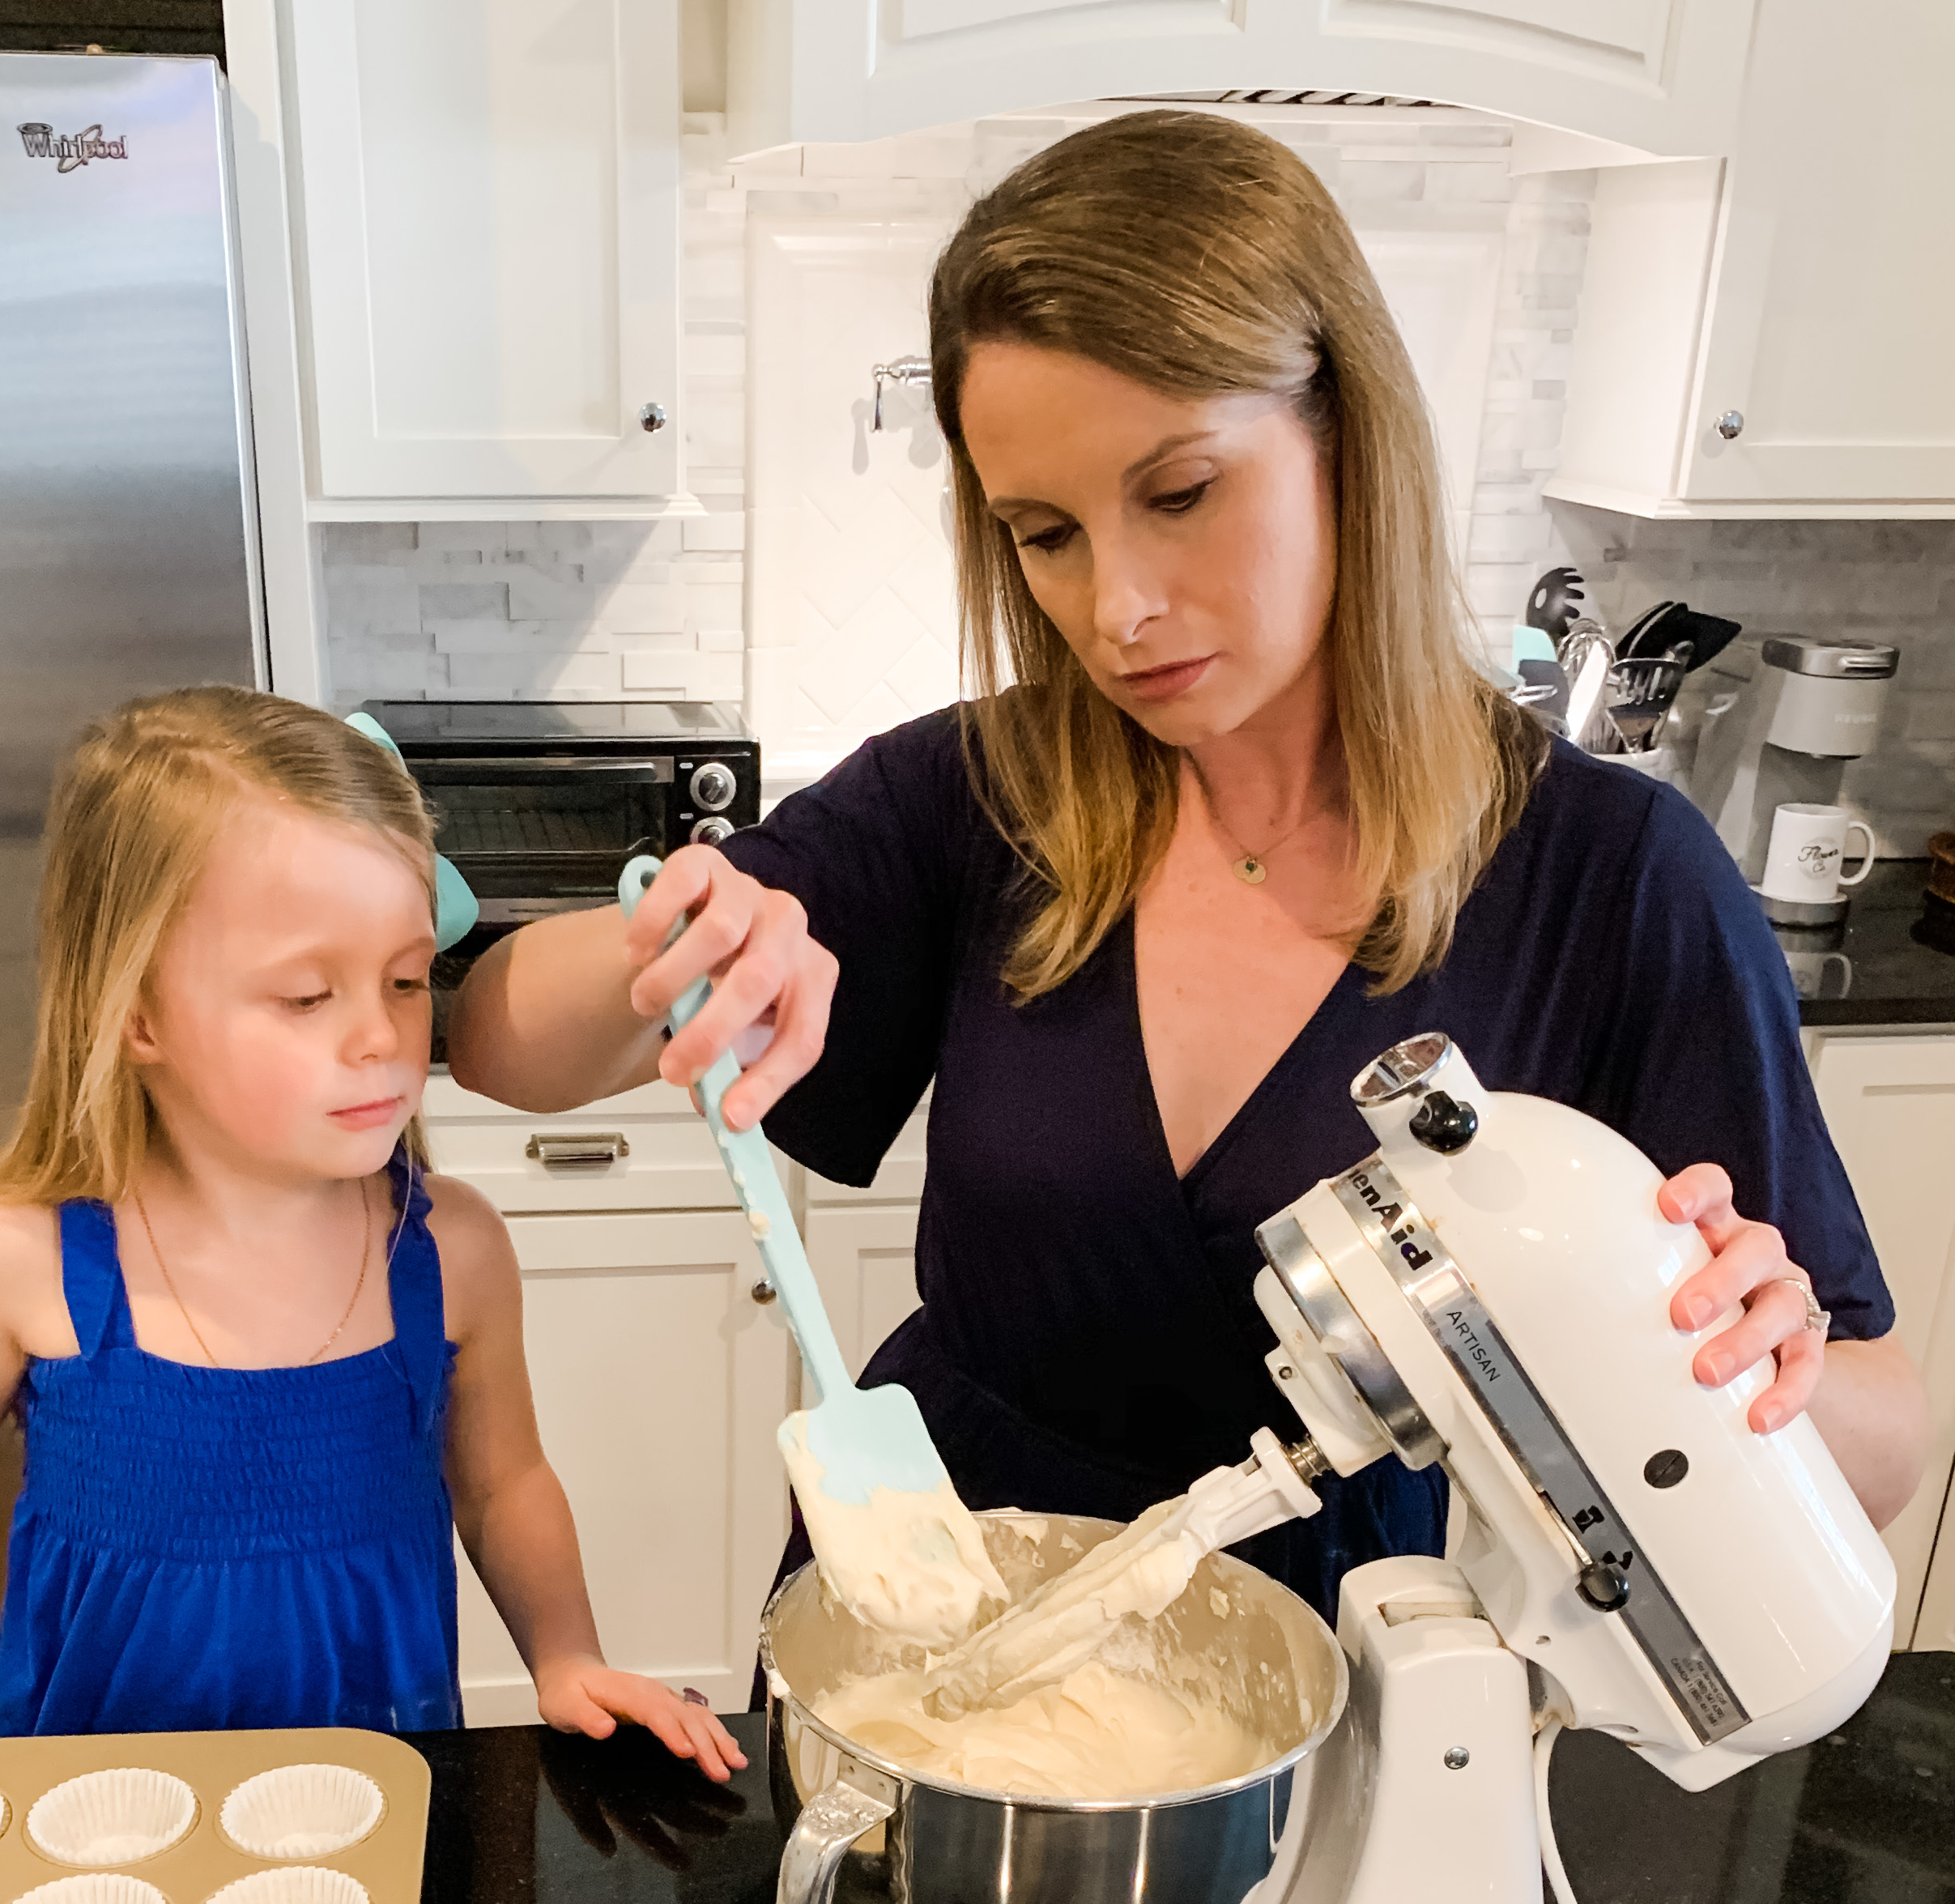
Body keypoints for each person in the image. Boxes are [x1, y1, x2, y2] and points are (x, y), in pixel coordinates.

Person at [446, 113, 1925, 1613]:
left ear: (1346, 433)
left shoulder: (1615, 882)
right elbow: (501, 1040)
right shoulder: (982, 799)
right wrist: (675, 937)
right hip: (940, 1627)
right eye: (1044, 534)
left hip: (1361, 1681)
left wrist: (1754, 1360)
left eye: (1179, 494)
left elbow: (1880, 1452)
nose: (1120, 609)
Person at [0, 688, 741, 1871]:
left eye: (408, 980)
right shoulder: (20, 1262)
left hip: (365, 1811)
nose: (382, 1034)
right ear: (138, 1013)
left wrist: (567, 1659)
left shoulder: (448, 1251)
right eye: (308, 995)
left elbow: (505, 1483)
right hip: (87, 1839)